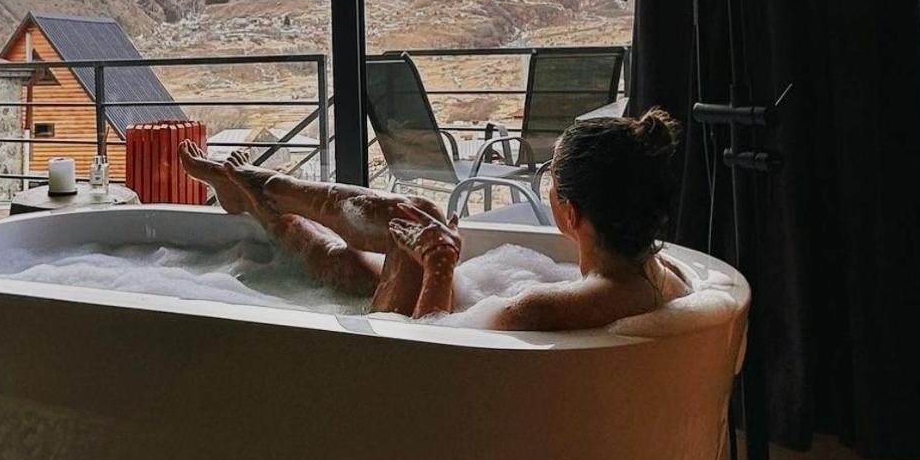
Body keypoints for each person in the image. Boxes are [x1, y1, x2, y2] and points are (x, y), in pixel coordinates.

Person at [177, 107, 687, 329]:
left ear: (570, 212)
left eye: (550, 179)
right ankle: (260, 199)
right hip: (461, 310)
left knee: (415, 215)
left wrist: (440, 268)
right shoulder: (669, 280)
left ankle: (265, 190)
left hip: (391, 379)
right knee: (354, 267)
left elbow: (433, 356)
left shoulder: (537, 309)